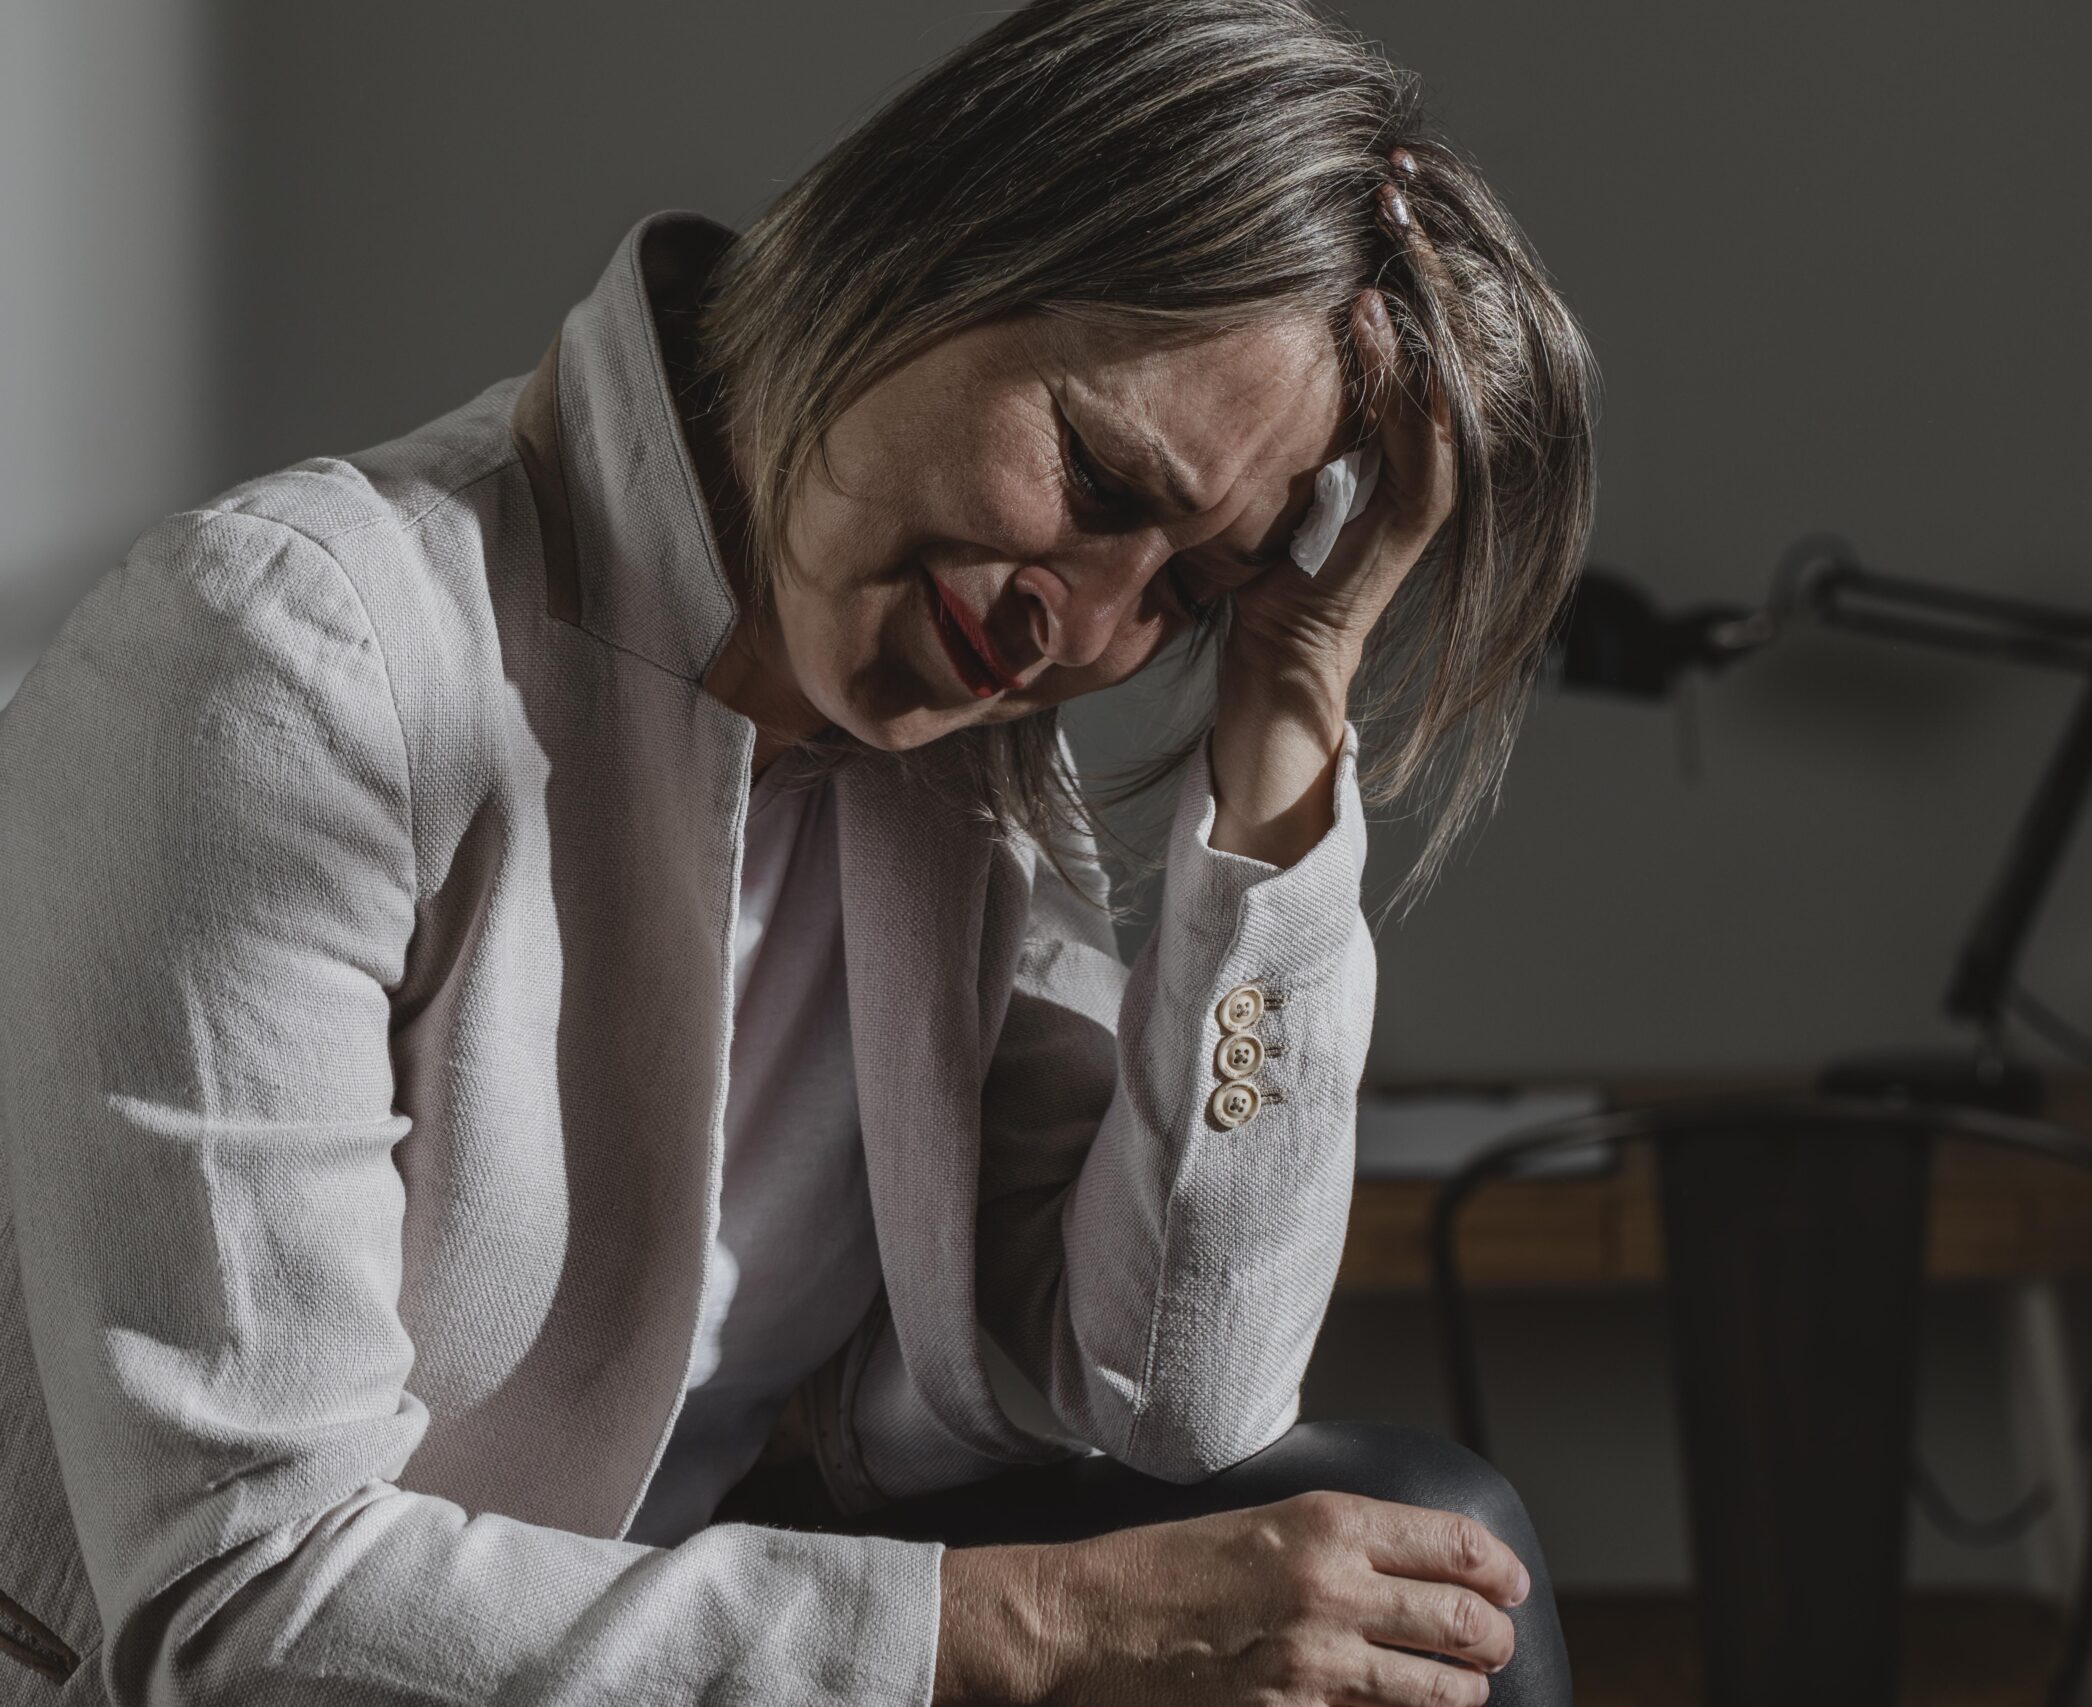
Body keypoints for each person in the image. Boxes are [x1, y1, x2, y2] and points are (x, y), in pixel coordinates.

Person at [0, 0, 1597, 1701]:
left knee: (1421, 1543)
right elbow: (243, 1611)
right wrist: (1029, 1634)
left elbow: (1183, 1399)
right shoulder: (285, 659)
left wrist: (1287, 694)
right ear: (939, 241)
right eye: (1101, 478)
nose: (1090, 624)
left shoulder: (956, 771)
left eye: (1189, 594)